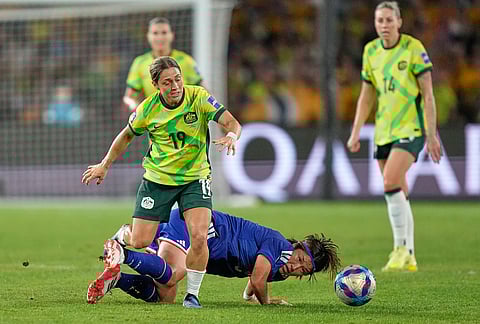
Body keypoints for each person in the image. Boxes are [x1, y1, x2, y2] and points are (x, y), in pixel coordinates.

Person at [82, 56, 242, 308]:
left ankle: (192, 296)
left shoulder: (198, 97)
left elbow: (231, 122)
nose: (175, 86)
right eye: (167, 82)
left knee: (199, 237)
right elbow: (125, 137)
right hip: (158, 180)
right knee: (140, 242)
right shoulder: (147, 109)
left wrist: (232, 135)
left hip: (195, 178)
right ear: (156, 85)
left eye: (177, 79)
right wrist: (105, 164)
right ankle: (123, 235)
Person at [346, 1, 442, 272]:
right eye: (379, 21)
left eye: (389, 20)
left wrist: (431, 134)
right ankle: (408, 254)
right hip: (383, 131)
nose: (384, 26)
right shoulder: (371, 51)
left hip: (410, 129)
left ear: (399, 22)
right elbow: (366, 96)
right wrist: (356, 131)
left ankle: (400, 248)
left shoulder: (414, 49)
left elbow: (428, 95)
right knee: (398, 191)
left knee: (390, 182)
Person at [86, 209, 341, 305]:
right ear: (296, 246)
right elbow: (259, 277)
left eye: (303, 270)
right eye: (299, 259)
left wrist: (249, 296)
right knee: (174, 275)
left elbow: (255, 280)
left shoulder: (280, 267)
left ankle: (115, 280)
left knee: (166, 295)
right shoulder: (278, 245)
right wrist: (266, 300)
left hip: (198, 238)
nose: (295, 266)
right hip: (202, 228)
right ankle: (125, 251)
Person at [123, 17, 205, 112]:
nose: (160, 37)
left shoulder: (185, 61)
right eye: (155, 33)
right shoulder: (140, 63)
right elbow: (129, 97)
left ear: (172, 35)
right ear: (148, 36)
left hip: (182, 118)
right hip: (154, 121)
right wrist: (138, 110)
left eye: (164, 33)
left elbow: (203, 92)